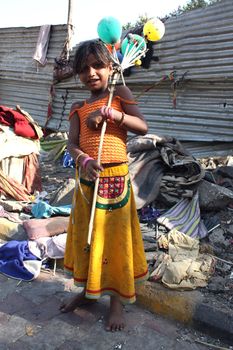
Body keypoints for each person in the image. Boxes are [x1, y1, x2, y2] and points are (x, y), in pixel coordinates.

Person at [60, 39, 149, 332]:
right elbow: (72, 144)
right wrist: (84, 159)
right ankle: (87, 292)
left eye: (98, 65)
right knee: (88, 242)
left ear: (111, 67)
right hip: (88, 185)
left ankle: (116, 303)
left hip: (116, 186)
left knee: (114, 242)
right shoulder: (78, 107)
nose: (91, 73)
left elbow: (142, 126)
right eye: (83, 69)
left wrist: (111, 114)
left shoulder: (119, 94)